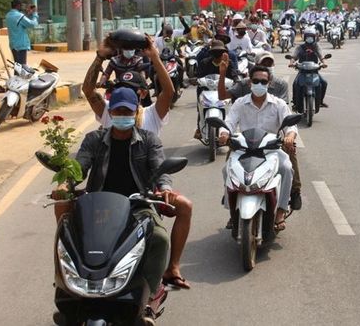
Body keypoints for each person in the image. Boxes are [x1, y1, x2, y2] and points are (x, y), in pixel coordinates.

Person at [82, 36, 193, 289]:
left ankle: (171, 268)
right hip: (103, 196)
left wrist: (154, 55)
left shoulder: (151, 121)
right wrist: (100, 56)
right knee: (66, 213)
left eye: (131, 94)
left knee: (182, 207)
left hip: (144, 192)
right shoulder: (104, 119)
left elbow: (169, 92)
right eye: (119, 91)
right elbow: (88, 91)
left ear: (141, 94)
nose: (121, 111)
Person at [51, 87, 174, 300]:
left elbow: (159, 169)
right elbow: (80, 167)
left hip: (138, 205)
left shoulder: (149, 140)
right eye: (118, 112)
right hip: (98, 205)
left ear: (136, 111)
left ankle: (151, 290)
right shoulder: (94, 139)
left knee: (161, 238)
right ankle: (64, 283)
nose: (122, 116)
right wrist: (66, 184)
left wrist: (165, 189)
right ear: (111, 113)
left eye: (127, 112)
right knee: (67, 236)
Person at [217, 52, 303, 210]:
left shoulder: (278, 103)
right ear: (250, 82)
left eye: (263, 81)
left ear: (269, 83)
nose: (259, 84)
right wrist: (224, 133)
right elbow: (228, 121)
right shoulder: (240, 103)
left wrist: (290, 136)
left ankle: (282, 209)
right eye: (256, 81)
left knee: (286, 168)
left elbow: (290, 125)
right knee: (226, 169)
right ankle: (232, 211)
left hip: (271, 149)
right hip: (244, 148)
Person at [193, 40, 239, 139]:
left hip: (225, 89)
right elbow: (199, 75)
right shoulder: (204, 62)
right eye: (215, 51)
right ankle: (199, 127)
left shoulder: (229, 63)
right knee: (200, 103)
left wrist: (235, 80)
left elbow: (234, 75)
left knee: (235, 102)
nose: (217, 54)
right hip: (207, 89)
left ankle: (233, 126)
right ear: (211, 53)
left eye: (220, 51)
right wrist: (196, 80)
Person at [289, 29, 329, 111]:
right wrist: (291, 63)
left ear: (314, 37)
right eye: (308, 36)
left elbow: (321, 56)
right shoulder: (300, 47)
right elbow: (294, 57)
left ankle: (320, 101)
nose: (309, 38)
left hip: (314, 71)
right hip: (302, 71)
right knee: (295, 84)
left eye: (311, 37)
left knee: (324, 83)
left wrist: (324, 63)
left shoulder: (316, 46)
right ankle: (295, 103)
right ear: (305, 37)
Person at [5, 0, 38, 65]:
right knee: (22, 67)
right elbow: (32, 24)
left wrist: (27, 14)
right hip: (21, 45)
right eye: (21, 5)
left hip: (13, 44)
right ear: (18, 5)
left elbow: (19, 23)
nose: (22, 7)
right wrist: (34, 14)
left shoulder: (8, 15)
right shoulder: (19, 16)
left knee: (17, 67)